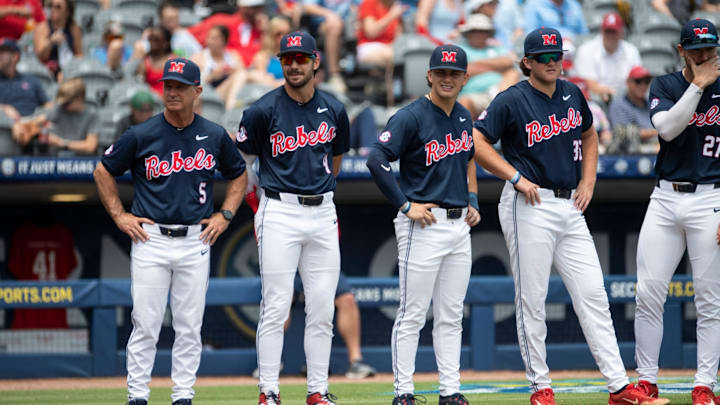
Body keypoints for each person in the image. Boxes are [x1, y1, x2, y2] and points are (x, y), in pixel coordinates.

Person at [472, 27, 669, 405]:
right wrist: (513, 176)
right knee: (533, 298)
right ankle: (541, 387)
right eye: (544, 57)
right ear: (527, 62)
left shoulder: (572, 92)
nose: (552, 62)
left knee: (594, 293)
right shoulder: (511, 99)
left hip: (569, 204)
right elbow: (477, 140)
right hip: (529, 202)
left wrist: (589, 181)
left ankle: (618, 387)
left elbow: (590, 134)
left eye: (557, 56)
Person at [93, 57, 248, 405]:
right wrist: (120, 216)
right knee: (145, 323)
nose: (172, 92)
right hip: (151, 238)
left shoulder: (214, 134)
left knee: (189, 326)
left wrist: (225, 214)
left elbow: (239, 174)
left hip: (196, 238)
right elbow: (103, 171)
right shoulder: (142, 133)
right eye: (168, 85)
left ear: (198, 91)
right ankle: (137, 396)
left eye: (180, 86)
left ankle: (182, 396)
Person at [236, 31, 349, 405]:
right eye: (288, 59)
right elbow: (244, 163)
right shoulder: (261, 110)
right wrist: (257, 203)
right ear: (280, 62)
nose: (294, 65)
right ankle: (268, 391)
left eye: (301, 58)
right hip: (280, 209)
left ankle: (317, 390)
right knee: (276, 304)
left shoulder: (334, 109)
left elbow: (336, 159)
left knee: (322, 306)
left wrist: (325, 186)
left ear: (316, 61)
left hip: (322, 210)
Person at [367, 44, 480, 405]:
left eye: (454, 73)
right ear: (429, 75)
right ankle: (404, 392)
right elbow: (376, 159)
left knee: (451, 315)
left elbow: (468, 159)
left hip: (458, 225)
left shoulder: (463, 115)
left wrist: (473, 200)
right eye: (441, 73)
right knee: (413, 313)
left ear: (464, 78)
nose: (447, 78)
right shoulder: (411, 116)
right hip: (424, 225)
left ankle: (450, 391)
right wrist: (404, 204)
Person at [634, 18, 720, 405]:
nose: (705, 55)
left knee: (710, 299)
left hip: (711, 198)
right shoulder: (667, 85)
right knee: (649, 292)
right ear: (682, 51)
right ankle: (647, 380)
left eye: (710, 48)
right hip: (666, 197)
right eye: (697, 48)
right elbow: (667, 129)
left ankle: (704, 384)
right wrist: (698, 85)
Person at [244, 184, 377, 380]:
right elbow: (246, 182)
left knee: (346, 300)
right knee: (279, 304)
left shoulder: (318, 186)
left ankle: (354, 362)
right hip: (285, 250)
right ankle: (270, 367)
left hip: (315, 253)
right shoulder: (268, 191)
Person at [14, 78, 99, 156]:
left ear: (80, 98)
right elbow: (33, 121)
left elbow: (90, 147)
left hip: (82, 163)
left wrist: (60, 143)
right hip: (58, 160)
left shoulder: (92, 115)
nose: (63, 106)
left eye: (66, 103)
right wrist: (19, 125)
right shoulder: (59, 108)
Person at [457, 13, 518, 118]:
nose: (478, 34)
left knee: (512, 73)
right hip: (472, 95)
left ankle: (500, 104)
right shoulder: (460, 49)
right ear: (468, 33)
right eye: (474, 31)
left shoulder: (496, 48)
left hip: (497, 93)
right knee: (464, 102)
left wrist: (476, 64)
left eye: (482, 31)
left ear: (488, 33)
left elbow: (509, 61)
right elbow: (462, 72)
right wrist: (496, 66)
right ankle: (466, 133)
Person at [574, 12, 641, 102]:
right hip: (597, 100)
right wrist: (614, 93)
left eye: (614, 32)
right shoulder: (586, 50)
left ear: (621, 32)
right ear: (602, 31)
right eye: (607, 31)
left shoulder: (631, 50)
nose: (610, 35)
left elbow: (637, 80)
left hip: (627, 100)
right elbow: (589, 84)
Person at [188, 0, 267, 68]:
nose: (258, 11)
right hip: (221, 71)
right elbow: (188, 36)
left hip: (248, 73)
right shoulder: (221, 21)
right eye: (254, 8)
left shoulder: (260, 29)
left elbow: (266, 54)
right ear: (242, 7)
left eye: (260, 7)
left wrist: (264, 32)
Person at [299, 0, 350, 94]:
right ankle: (334, 75)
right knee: (334, 26)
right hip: (323, 26)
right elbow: (307, 7)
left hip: (350, 26)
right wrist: (330, 14)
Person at [607, 66, 659, 154]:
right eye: (638, 81)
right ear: (628, 82)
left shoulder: (651, 103)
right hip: (632, 150)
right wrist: (657, 132)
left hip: (656, 144)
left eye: (646, 82)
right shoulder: (619, 104)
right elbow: (624, 133)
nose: (643, 86)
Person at [0, 38, 48, 119]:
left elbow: (47, 104)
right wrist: (3, 108)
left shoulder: (31, 79)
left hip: (33, 123)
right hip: (6, 126)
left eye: (2, 53)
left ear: (15, 56)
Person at [33, 0, 82, 78]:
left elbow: (79, 53)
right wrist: (51, 42)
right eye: (51, 6)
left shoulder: (74, 28)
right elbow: (41, 57)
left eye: (58, 7)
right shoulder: (42, 27)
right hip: (49, 72)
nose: (53, 9)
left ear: (67, 12)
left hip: (71, 69)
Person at [137, 25, 176, 95]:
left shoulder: (174, 62)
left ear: (165, 43)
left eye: (156, 40)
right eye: (150, 39)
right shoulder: (144, 62)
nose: (151, 43)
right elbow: (140, 85)